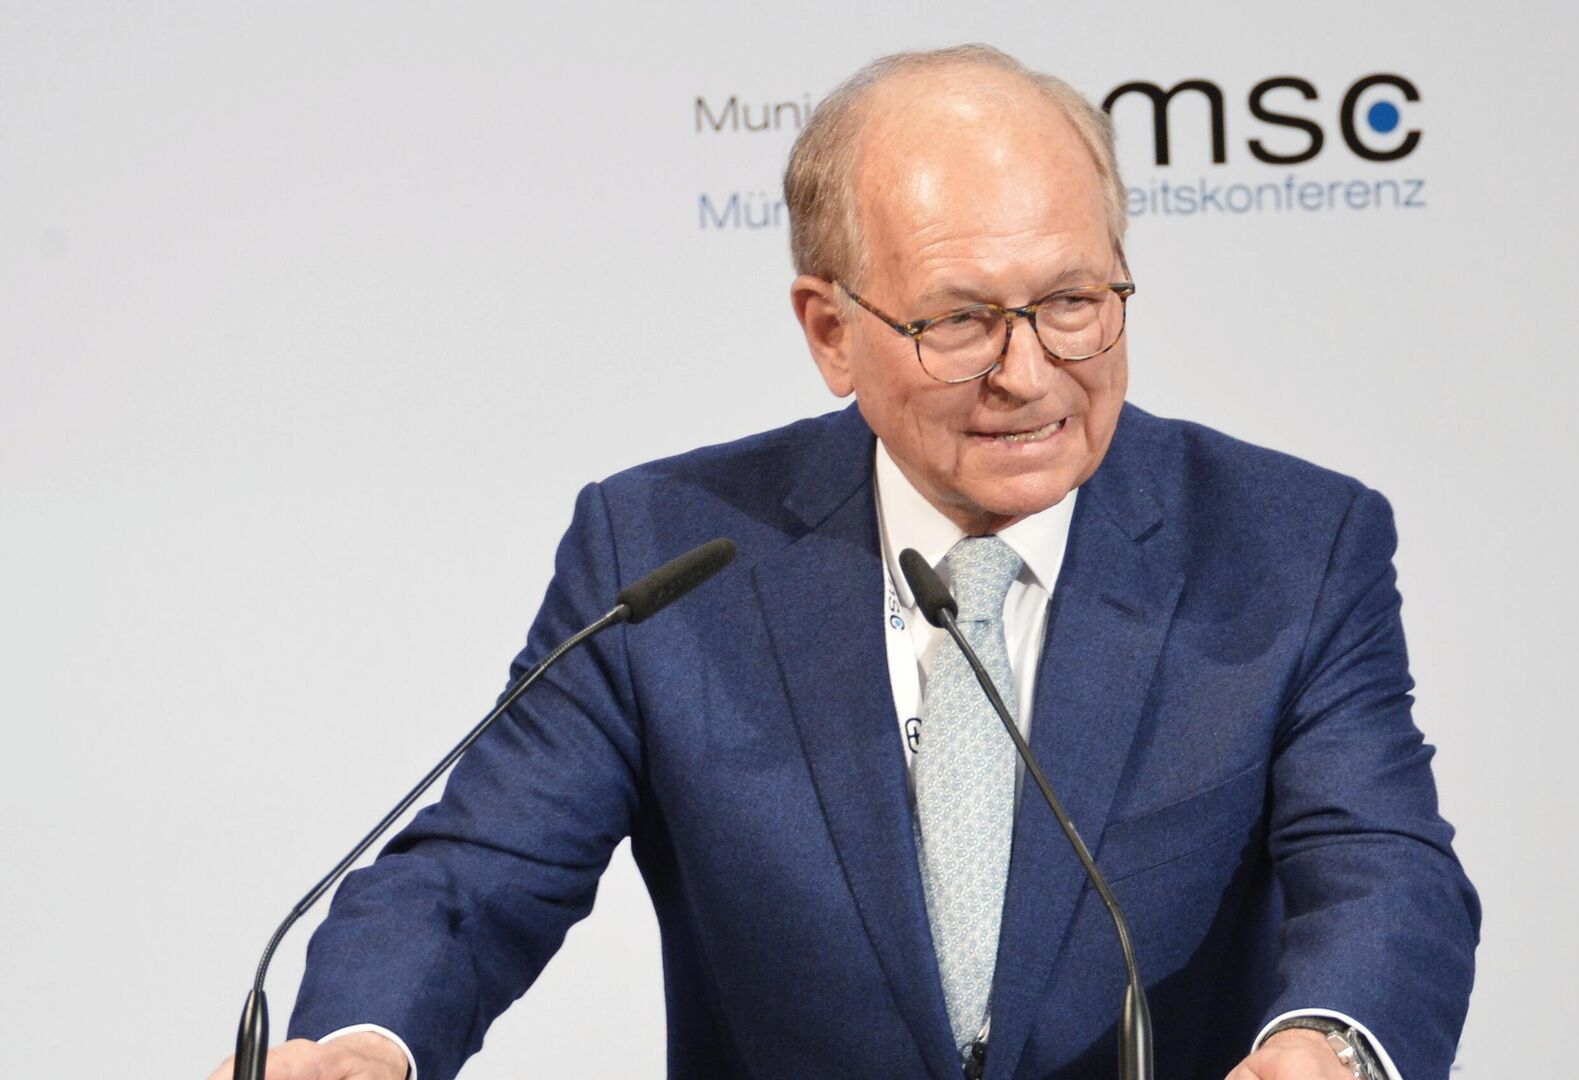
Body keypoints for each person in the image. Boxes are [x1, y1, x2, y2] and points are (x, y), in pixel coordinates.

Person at [208, 44, 1479, 1080]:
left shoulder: (1290, 545)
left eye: (1073, 303)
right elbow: (479, 871)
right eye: (961, 320)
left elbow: (1383, 865)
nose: (1029, 373)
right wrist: (363, 1044)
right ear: (829, 330)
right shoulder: (664, 553)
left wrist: (1332, 1048)